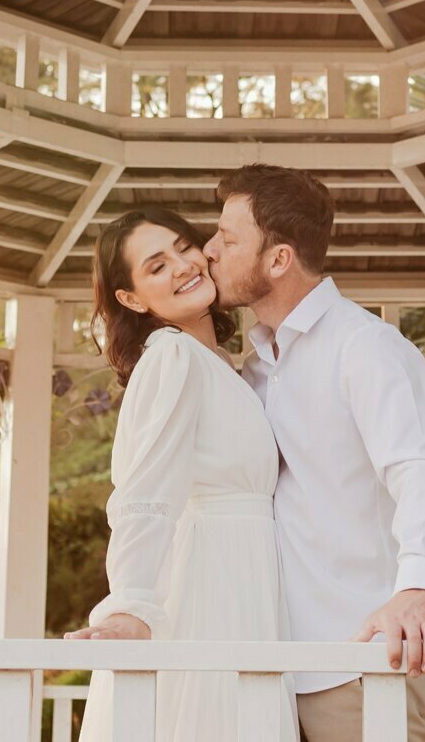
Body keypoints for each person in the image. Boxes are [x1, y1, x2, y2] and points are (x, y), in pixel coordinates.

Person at [210, 164, 425, 742]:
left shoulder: (365, 347)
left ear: (278, 260)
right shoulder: (254, 367)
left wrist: (420, 590)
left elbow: (420, 471)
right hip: (278, 675)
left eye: (227, 240)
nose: (208, 252)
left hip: (364, 665)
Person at [66, 206, 298, 742]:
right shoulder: (171, 356)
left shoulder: (221, 366)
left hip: (246, 584)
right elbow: (143, 494)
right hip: (205, 590)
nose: (182, 266)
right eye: (155, 266)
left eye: (183, 247)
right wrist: (128, 604)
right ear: (132, 299)